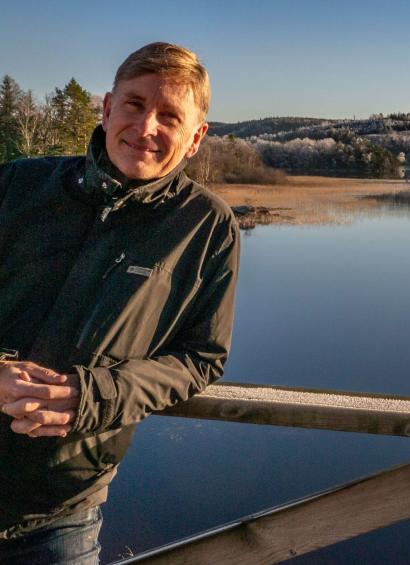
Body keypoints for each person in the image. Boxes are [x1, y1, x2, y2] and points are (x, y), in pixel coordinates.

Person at [0, 42, 240, 563]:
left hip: (58, 514)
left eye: (170, 116)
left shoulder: (206, 226)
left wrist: (94, 394)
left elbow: (202, 357)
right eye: (134, 104)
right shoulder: (19, 185)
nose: (146, 126)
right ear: (107, 108)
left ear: (196, 138)